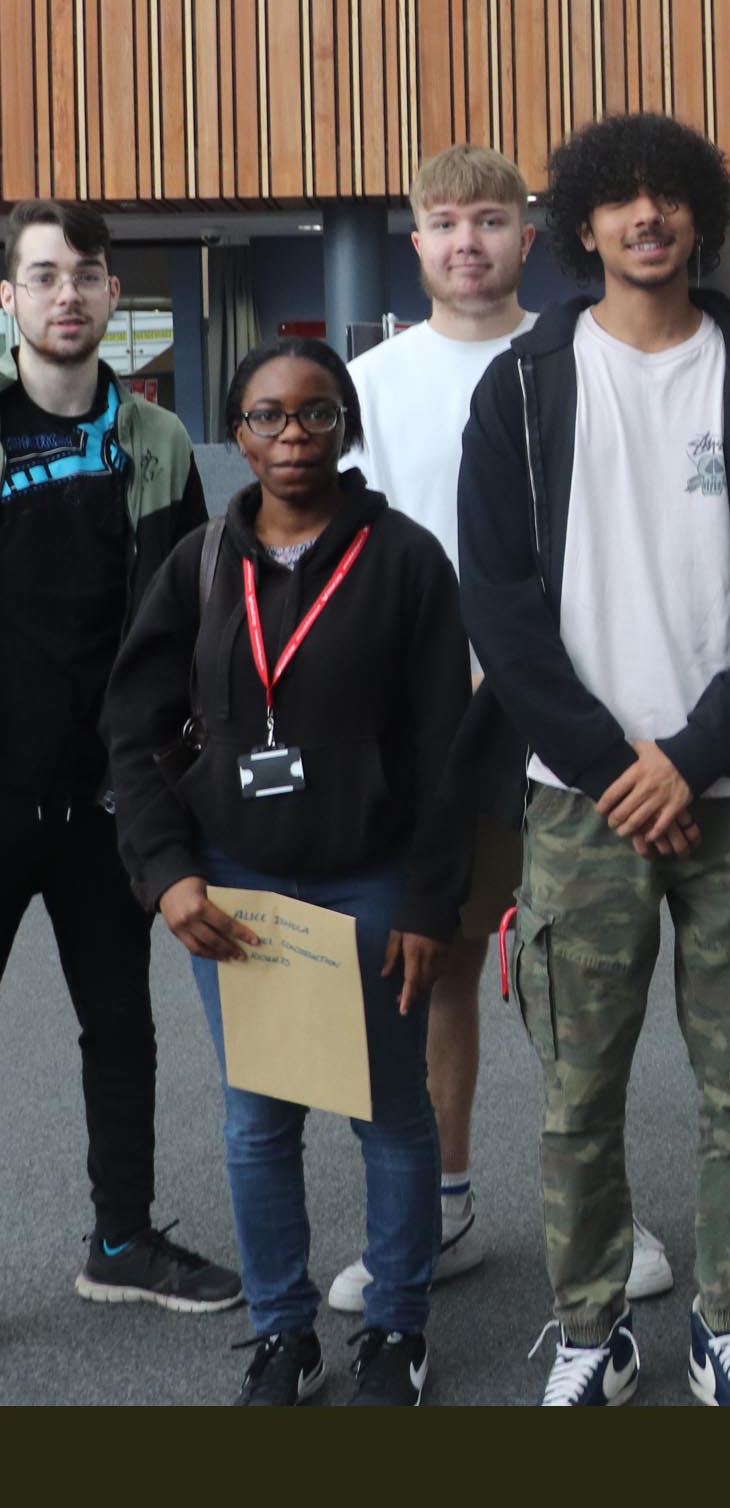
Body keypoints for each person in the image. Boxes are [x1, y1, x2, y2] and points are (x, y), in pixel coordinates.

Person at [459, 111, 730, 1409]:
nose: (646, 216)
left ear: (699, 217)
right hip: (578, 805)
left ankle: (729, 1322)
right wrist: (617, 761)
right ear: (581, 224)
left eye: (668, 196)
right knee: (579, 1096)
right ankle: (590, 1330)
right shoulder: (521, 386)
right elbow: (499, 606)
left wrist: (694, 755)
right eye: (618, 199)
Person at [328, 145, 671, 1317]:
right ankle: (447, 1202)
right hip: (432, 733)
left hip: (580, 715)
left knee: (590, 971)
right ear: (413, 244)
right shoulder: (366, 385)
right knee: (445, 966)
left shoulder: (587, 359)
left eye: (488, 220)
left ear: (529, 238)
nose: (466, 241)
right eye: (443, 222)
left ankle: (606, 1217)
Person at [106, 339, 473, 1405]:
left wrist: (426, 900)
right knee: (258, 1116)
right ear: (239, 432)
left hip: (371, 882)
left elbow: (448, 747)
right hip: (235, 886)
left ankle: (397, 1327)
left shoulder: (405, 561)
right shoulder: (202, 564)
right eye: (267, 417)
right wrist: (168, 873)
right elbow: (131, 727)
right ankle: (282, 1331)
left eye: (316, 415)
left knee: (388, 1111)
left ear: (346, 427)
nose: (292, 437)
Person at [0, 199, 240, 1317]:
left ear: (109, 296)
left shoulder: (155, 442)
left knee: (120, 1026)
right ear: (9, 296)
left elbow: (191, 629)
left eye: (85, 275)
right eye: (42, 274)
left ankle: (122, 1240)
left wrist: (170, 773)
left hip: (109, 798)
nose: (65, 294)